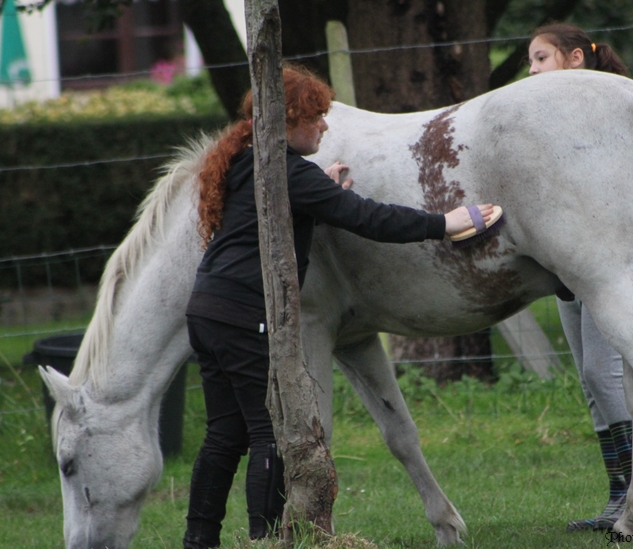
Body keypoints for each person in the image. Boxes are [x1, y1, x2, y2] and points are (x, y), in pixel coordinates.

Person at [182, 64, 494, 549]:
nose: (326, 126)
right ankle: (266, 541)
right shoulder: (288, 173)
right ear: (288, 119)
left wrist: (323, 188)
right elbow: (369, 219)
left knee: (225, 433)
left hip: (206, 308)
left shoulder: (250, 161)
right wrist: (444, 223)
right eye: (317, 117)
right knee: (269, 431)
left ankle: (198, 542)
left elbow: (285, 205)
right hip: (245, 313)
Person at [526, 22, 633, 532]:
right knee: (591, 378)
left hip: (599, 260)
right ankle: (619, 494)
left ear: (576, 59)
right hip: (566, 262)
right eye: (531, 60)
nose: (532, 70)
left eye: (541, 58)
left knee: (603, 373)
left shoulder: (607, 122)